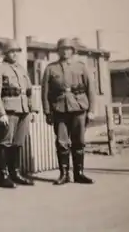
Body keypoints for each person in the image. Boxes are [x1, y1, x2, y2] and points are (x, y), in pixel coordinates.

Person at [41, 38, 96, 186]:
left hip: (79, 108)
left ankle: (79, 173)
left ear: (72, 51)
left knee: (79, 141)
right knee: (62, 142)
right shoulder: (51, 68)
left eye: (68, 49)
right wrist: (47, 112)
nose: (65, 52)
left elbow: (90, 89)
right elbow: (45, 92)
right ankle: (64, 174)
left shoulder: (81, 67)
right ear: (58, 51)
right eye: (62, 49)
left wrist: (91, 110)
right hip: (60, 109)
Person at [0, 40, 39, 188]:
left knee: (18, 142)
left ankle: (15, 172)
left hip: (23, 110)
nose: (14, 54)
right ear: (5, 53)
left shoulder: (22, 70)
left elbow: (29, 91)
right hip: (9, 110)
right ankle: (3, 175)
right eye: (11, 51)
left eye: (17, 51)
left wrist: (33, 109)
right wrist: (1, 113)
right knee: (6, 141)